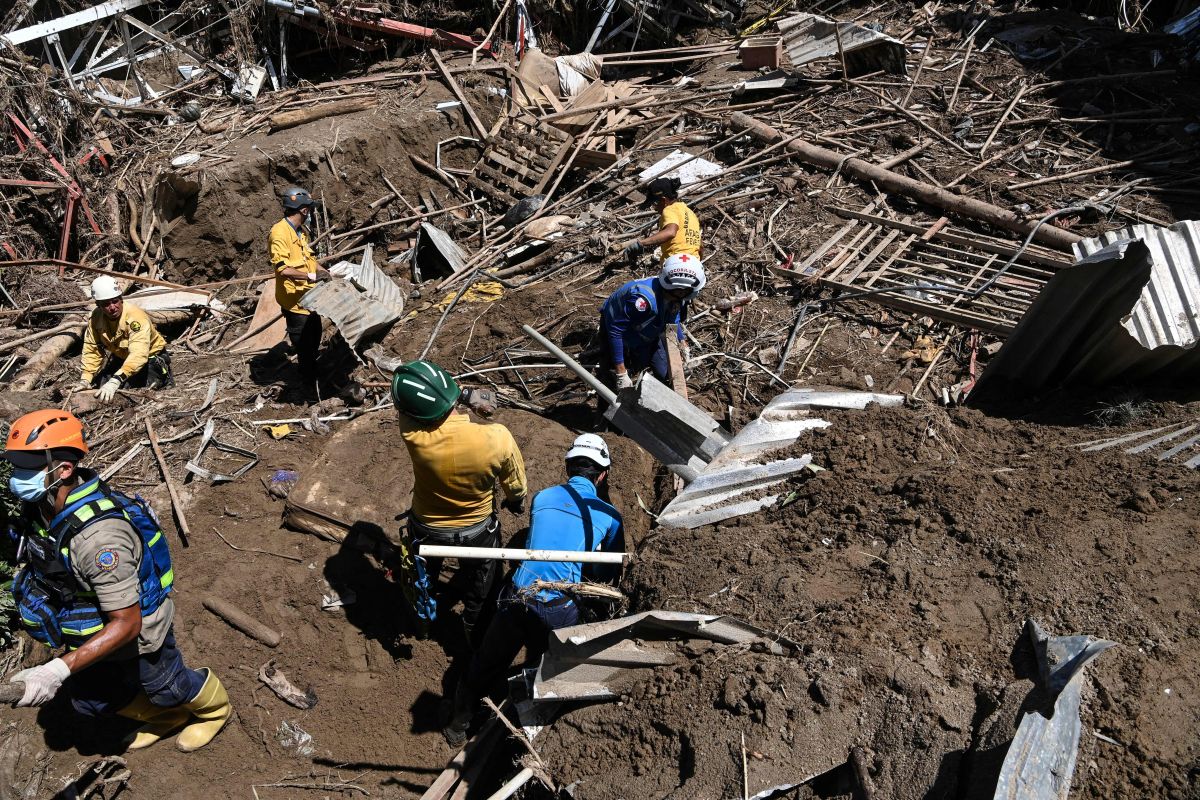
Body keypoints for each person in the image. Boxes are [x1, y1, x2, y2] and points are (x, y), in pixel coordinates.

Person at [2, 409, 231, 751]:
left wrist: (55, 671)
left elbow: (127, 623)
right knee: (92, 699)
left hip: (135, 628)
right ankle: (165, 717)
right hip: (89, 623)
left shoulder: (99, 541)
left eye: (28, 465)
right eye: (15, 463)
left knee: (167, 685)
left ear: (64, 469)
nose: (17, 475)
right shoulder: (43, 504)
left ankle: (214, 710)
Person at [443, 434, 624, 746]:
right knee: (555, 664)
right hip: (558, 607)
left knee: (485, 663)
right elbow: (604, 576)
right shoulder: (610, 518)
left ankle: (458, 725)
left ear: (569, 468)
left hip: (517, 595)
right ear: (603, 474)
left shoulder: (542, 498)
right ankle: (529, 721)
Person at [391, 360, 528, 644]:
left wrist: (457, 396)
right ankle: (473, 633)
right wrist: (515, 501)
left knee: (422, 580)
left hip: (427, 528)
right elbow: (516, 486)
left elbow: (407, 409)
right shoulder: (496, 437)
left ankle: (423, 625)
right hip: (477, 533)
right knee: (481, 587)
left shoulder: (412, 435)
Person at [599, 254, 707, 389]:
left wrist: (681, 341)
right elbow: (615, 331)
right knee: (612, 380)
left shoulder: (677, 296)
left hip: (648, 331)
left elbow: (673, 318)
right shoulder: (643, 300)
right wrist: (621, 372)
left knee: (666, 376)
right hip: (619, 328)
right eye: (688, 291)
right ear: (679, 290)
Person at [269, 186, 331, 395]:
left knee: (314, 337)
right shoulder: (279, 233)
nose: (311, 214)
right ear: (304, 211)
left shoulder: (298, 232)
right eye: (310, 210)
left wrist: (325, 272)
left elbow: (309, 260)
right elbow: (284, 269)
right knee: (304, 346)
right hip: (295, 302)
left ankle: (313, 373)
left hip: (308, 296)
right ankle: (309, 389)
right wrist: (313, 277)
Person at [77, 276, 173, 404]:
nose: (112, 307)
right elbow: (92, 349)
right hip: (122, 359)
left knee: (134, 393)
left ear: (121, 299)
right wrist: (86, 378)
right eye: (106, 304)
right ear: (98, 305)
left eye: (115, 301)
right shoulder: (96, 318)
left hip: (149, 359)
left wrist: (117, 379)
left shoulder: (136, 318)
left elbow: (138, 355)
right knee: (100, 388)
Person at [621, 176, 702, 267]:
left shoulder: (670, 209)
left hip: (676, 264)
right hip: (695, 265)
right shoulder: (690, 213)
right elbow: (699, 247)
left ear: (663, 200)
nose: (655, 208)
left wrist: (641, 243)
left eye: (655, 203)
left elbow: (670, 232)